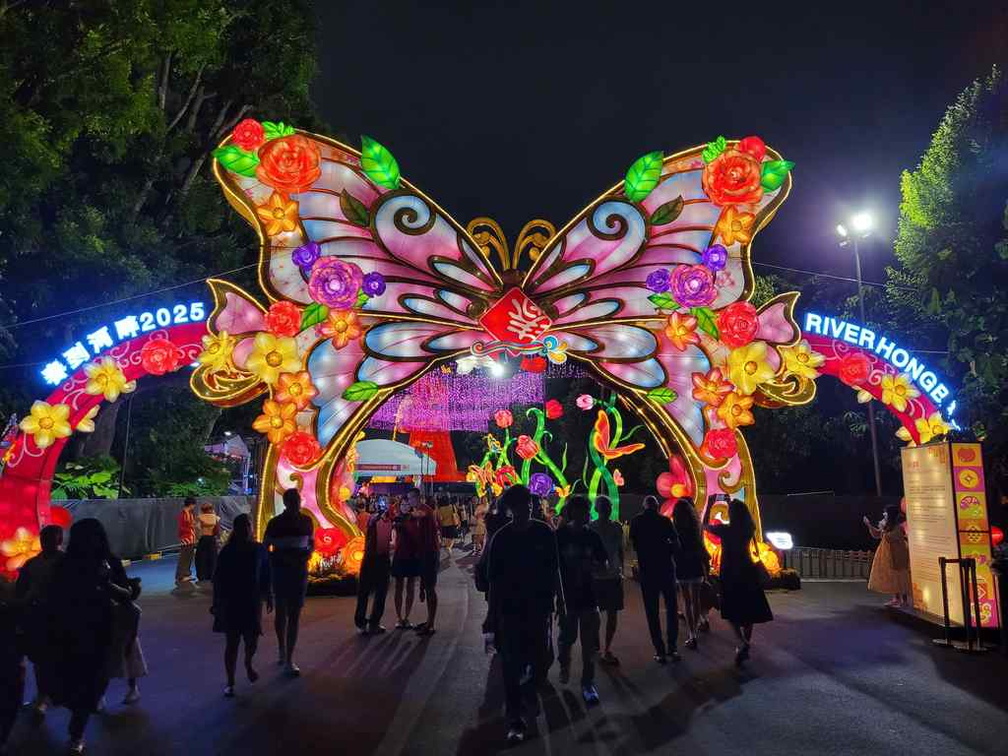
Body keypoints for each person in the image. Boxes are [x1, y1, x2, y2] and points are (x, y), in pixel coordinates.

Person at [41, 518, 132, 754]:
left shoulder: (105, 564)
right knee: (84, 679)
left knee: (92, 679)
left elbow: (127, 593)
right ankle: (78, 725)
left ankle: (78, 722)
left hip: (95, 630)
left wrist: (107, 584)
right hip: (79, 630)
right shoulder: (67, 565)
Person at [485, 484, 558, 745]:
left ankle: (529, 693)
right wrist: (491, 614)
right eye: (519, 505)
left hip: (539, 609)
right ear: (509, 508)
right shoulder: (501, 538)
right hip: (510, 610)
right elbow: (494, 579)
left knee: (539, 661)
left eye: (528, 504)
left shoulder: (544, 533)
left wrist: (558, 602)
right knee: (511, 664)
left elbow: (553, 570)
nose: (525, 509)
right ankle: (515, 717)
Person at [706, 499, 773, 666]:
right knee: (748, 609)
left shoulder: (725, 530)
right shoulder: (749, 529)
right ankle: (744, 647)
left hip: (730, 573)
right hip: (747, 571)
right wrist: (732, 504)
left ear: (731, 514)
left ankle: (742, 642)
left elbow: (705, 526)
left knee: (730, 610)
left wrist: (709, 504)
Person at [212, 513, 272, 697]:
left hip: (252, 600)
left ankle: (247, 662)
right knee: (232, 643)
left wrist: (268, 594)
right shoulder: (227, 552)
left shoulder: (258, 549)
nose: (246, 529)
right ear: (236, 529)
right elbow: (218, 579)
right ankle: (230, 681)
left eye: (248, 525)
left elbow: (265, 573)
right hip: (232, 601)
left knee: (252, 639)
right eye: (242, 525)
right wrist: (216, 603)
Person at [556, 495, 607, 706]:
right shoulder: (559, 536)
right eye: (584, 510)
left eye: (588, 510)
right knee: (566, 639)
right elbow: (552, 566)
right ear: (573, 512)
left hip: (589, 597)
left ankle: (588, 684)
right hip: (567, 598)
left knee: (589, 645)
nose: (588, 514)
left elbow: (604, 563)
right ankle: (564, 664)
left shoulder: (593, 537)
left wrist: (594, 567)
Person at [264, 488, 314, 676]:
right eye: (293, 500)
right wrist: (279, 559)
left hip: (298, 572)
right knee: (283, 613)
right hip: (282, 573)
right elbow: (265, 547)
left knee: (293, 615)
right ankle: (282, 650)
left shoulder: (306, 522)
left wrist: (307, 554)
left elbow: (311, 542)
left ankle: (288, 656)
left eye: (297, 500)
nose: (296, 503)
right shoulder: (275, 523)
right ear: (286, 503)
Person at [16, 524, 64, 715]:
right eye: (45, 540)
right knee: (41, 659)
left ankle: (48, 695)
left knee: (48, 660)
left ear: (58, 541)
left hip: (58, 617)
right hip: (40, 617)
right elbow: (21, 589)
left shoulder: (66, 563)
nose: (46, 543)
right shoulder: (32, 564)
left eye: (49, 540)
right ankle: (44, 695)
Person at [629, 495, 682, 663]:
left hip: (647, 570)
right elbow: (676, 544)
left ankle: (659, 650)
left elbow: (633, 544)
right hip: (666, 568)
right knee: (671, 608)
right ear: (657, 507)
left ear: (644, 507)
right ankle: (672, 647)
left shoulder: (636, 521)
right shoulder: (665, 521)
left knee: (652, 611)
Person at [589, 496, 624, 665]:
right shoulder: (592, 527)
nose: (606, 509)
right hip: (602, 576)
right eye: (604, 506)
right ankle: (603, 648)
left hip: (609, 576)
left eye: (607, 506)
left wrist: (621, 570)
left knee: (606, 613)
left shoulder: (614, 527)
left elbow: (620, 551)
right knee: (604, 614)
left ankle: (604, 647)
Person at [672, 497, 708, 650]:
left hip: (682, 566)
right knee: (696, 599)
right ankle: (699, 621)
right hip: (695, 564)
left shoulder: (675, 528)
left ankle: (692, 634)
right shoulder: (696, 527)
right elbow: (701, 546)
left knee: (686, 601)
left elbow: (673, 548)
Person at [355, 498, 394, 635]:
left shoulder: (381, 521)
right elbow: (381, 543)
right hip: (374, 559)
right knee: (373, 592)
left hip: (375, 559)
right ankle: (367, 623)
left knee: (372, 593)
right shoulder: (378, 521)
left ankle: (367, 622)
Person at [864, 504, 910, 606]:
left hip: (898, 555)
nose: (884, 516)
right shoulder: (888, 526)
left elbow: (890, 537)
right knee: (893, 576)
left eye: (886, 514)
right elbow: (876, 535)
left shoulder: (897, 527)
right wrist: (869, 525)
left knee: (901, 577)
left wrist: (884, 530)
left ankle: (904, 601)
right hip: (888, 555)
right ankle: (896, 598)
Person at [414, 489, 441, 636]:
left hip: (430, 553)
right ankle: (429, 620)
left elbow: (420, 514)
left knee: (430, 588)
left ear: (420, 498)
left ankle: (431, 624)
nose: (411, 501)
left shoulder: (425, 510)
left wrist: (407, 514)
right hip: (425, 553)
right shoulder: (421, 510)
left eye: (412, 498)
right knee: (426, 587)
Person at [0, 578, 23, 755]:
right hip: (10, 663)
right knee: (10, 702)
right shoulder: (14, 611)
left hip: (10, 662)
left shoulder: (12, 610)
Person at [195, 502, 221, 582]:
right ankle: (212, 574)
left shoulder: (199, 517)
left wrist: (197, 538)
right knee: (213, 557)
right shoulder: (216, 518)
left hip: (203, 538)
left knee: (201, 557)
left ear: (202, 510)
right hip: (212, 538)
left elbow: (197, 528)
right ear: (211, 509)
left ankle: (202, 575)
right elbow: (218, 529)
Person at [175, 497, 197, 586]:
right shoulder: (183, 514)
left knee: (189, 557)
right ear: (191, 504)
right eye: (194, 505)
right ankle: (180, 575)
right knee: (184, 558)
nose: (194, 507)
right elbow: (181, 527)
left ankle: (186, 574)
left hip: (191, 538)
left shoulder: (190, 513)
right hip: (186, 538)